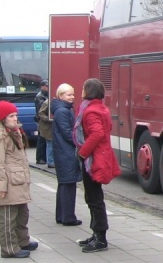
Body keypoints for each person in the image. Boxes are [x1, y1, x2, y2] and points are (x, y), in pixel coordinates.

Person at [75, 78, 120, 253]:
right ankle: (96, 233)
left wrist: (82, 152)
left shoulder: (91, 111)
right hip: (100, 156)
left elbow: (97, 133)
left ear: (88, 91)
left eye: (83, 88)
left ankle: (100, 237)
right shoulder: (100, 108)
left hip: (94, 159)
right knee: (94, 197)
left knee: (94, 198)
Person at [0, 101, 38, 259]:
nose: (15, 118)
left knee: (22, 213)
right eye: (11, 116)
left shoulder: (14, 130)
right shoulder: (0, 135)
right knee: (9, 216)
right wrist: (1, 186)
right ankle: (9, 248)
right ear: (3, 118)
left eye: (15, 115)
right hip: (10, 181)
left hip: (18, 179)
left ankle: (22, 241)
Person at [51, 83, 82, 227]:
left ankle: (61, 215)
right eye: (69, 95)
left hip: (63, 151)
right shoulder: (63, 111)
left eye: (73, 94)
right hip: (66, 152)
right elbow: (68, 133)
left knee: (64, 183)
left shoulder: (61, 109)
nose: (72, 97)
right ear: (60, 95)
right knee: (68, 184)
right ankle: (68, 217)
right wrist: (80, 142)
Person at [34, 80, 50, 165]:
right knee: (41, 139)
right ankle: (40, 158)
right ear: (42, 87)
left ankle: (44, 158)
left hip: (44, 120)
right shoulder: (40, 97)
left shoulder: (46, 95)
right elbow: (42, 109)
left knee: (44, 139)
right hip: (41, 120)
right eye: (46, 86)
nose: (48, 88)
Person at [37, 96, 55, 168]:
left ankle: (52, 161)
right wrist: (48, 119)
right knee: (50, 144)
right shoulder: (47, 102)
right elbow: (41, 113)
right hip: (47, 127)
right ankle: (50, 162)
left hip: (52, 127)